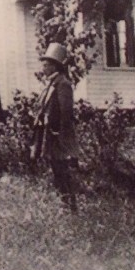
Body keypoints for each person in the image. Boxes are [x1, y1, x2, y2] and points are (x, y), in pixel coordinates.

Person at [31, 42, 79, 213]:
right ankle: (64, 203)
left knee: (61, 170)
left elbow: (66, 112)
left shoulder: (63, 84)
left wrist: (59, 134)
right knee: (56, 169)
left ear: (54, 66)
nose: (43, 68)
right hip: (50, 134)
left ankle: (70, 205)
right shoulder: (51, 83)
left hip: (58, 136)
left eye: (46, 65)